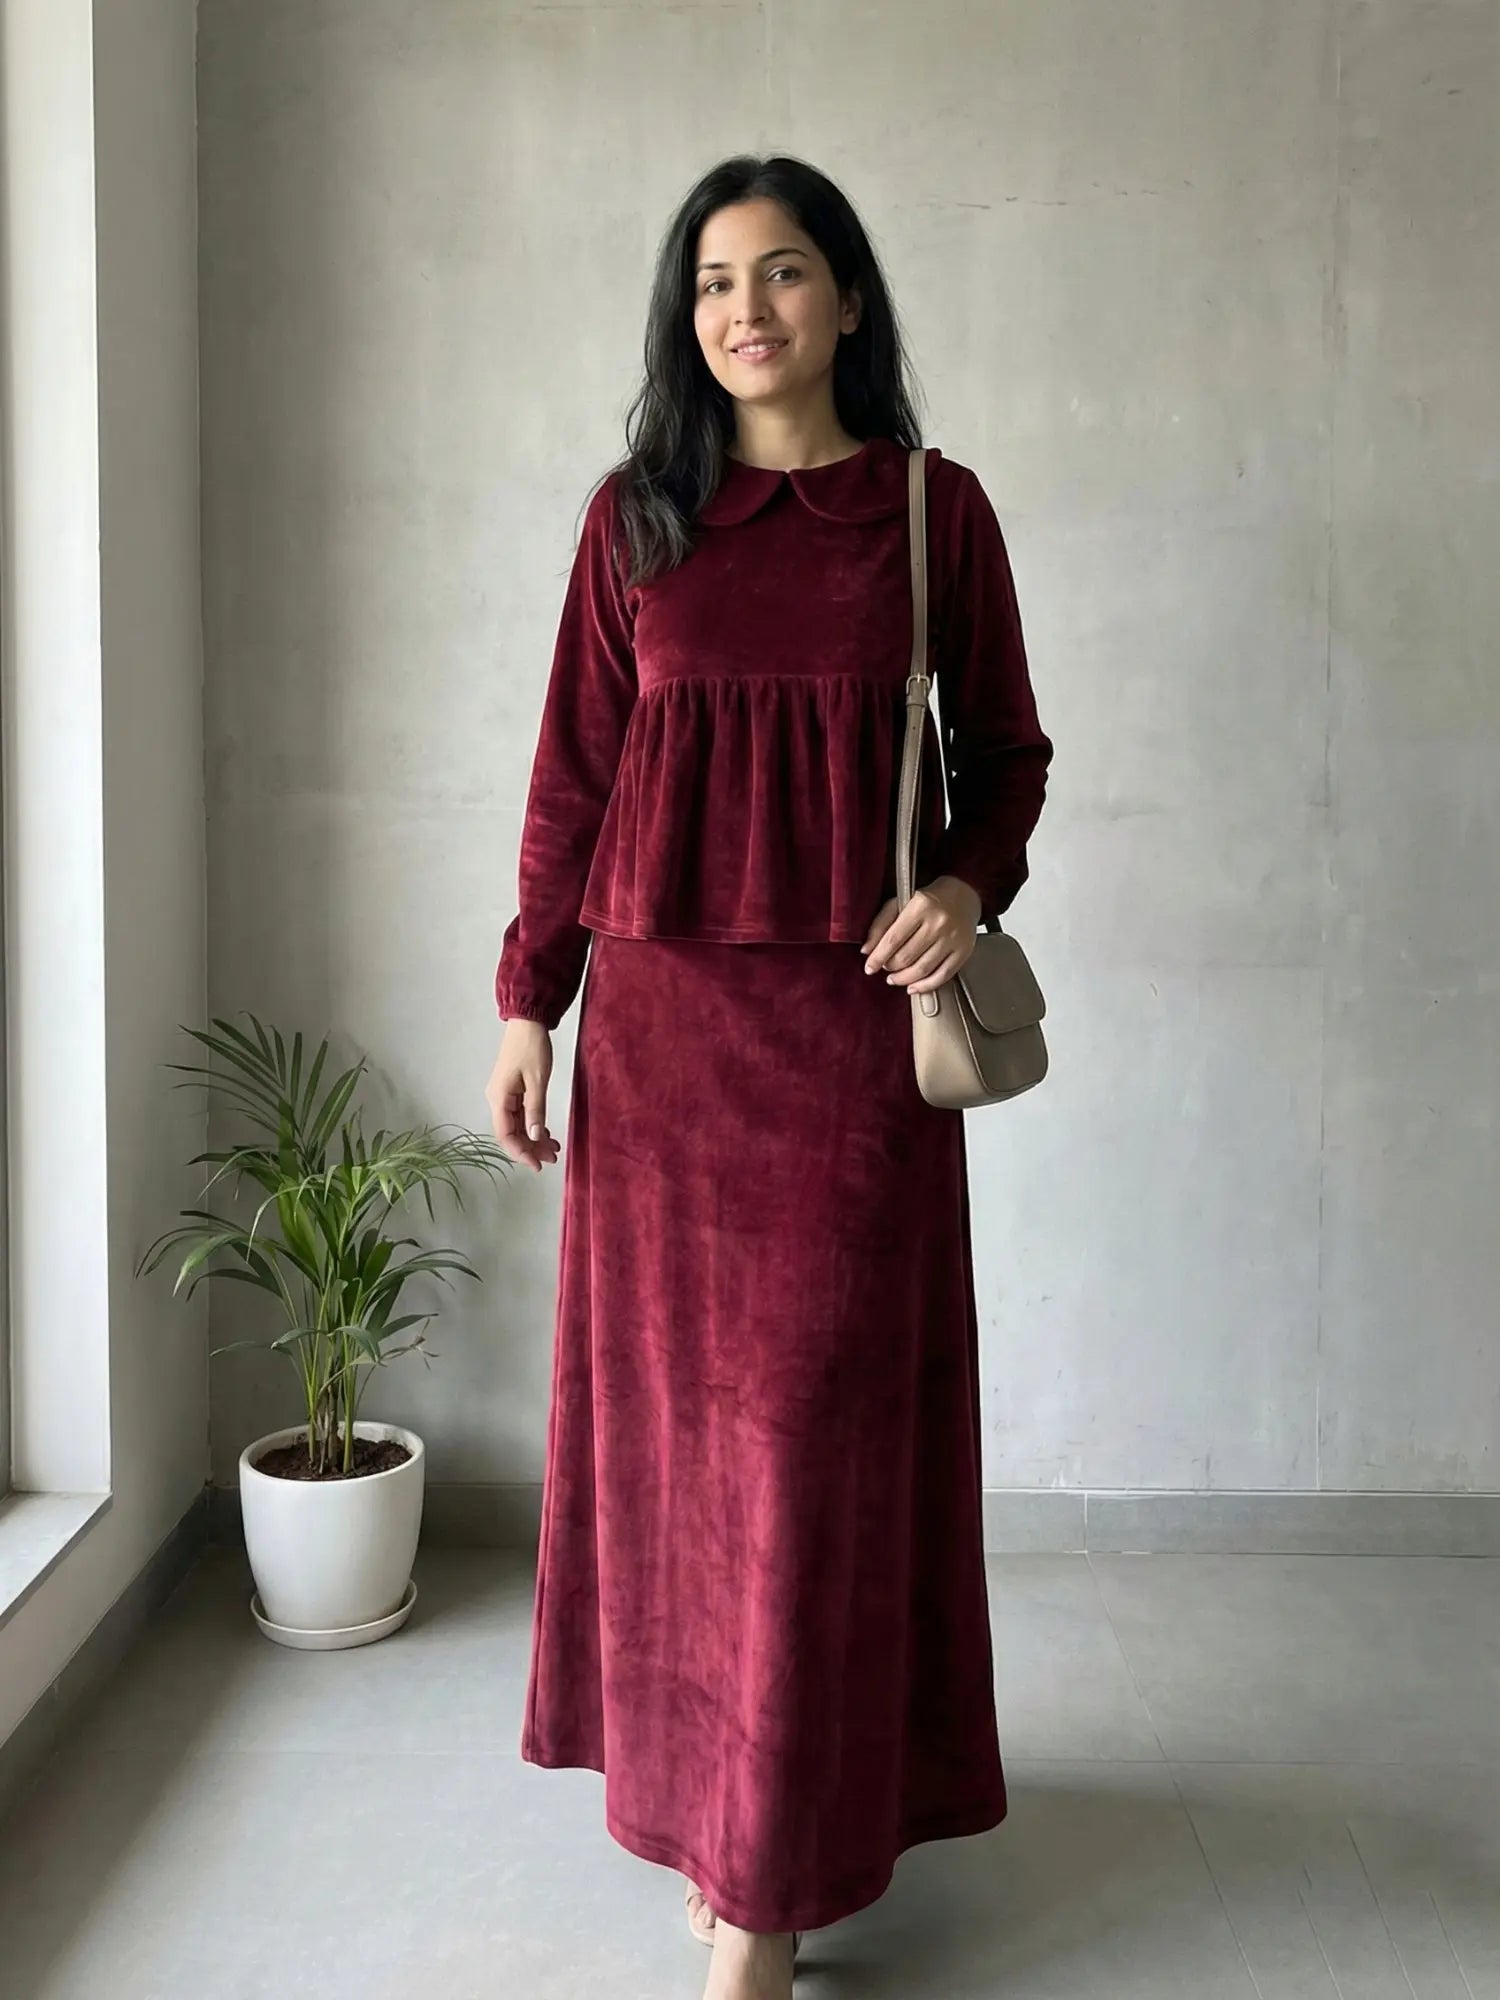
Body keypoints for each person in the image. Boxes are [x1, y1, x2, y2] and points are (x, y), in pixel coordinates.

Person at [486, 152, 1052, 2000]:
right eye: (716, 280)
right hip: (657, 1056)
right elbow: (574, 782)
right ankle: (724, 1829)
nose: (748, 307)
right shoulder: (633, 524)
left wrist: (962, 891)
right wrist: (527, 1000)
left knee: (807, 1452)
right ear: (688, 318)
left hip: (843, 1063)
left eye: (786, 271)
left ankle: (770, 1891)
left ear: (850, 302)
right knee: (682, 1464)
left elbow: (1010, 755)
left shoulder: (930, 514)